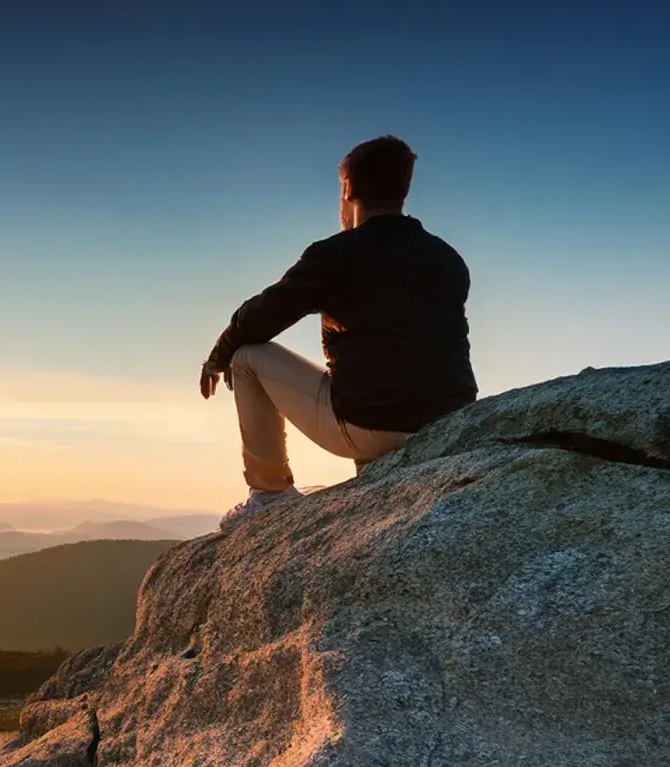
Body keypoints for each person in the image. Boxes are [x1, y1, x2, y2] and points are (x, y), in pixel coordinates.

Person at [201, 135, 476, 530]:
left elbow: (264, 315)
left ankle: (270, 494)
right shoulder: (446, 257)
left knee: (246, 358)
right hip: (448, 422)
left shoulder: (336, 255)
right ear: (404, 188)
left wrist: (220, 353)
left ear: (347, 189)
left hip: (369, 426)